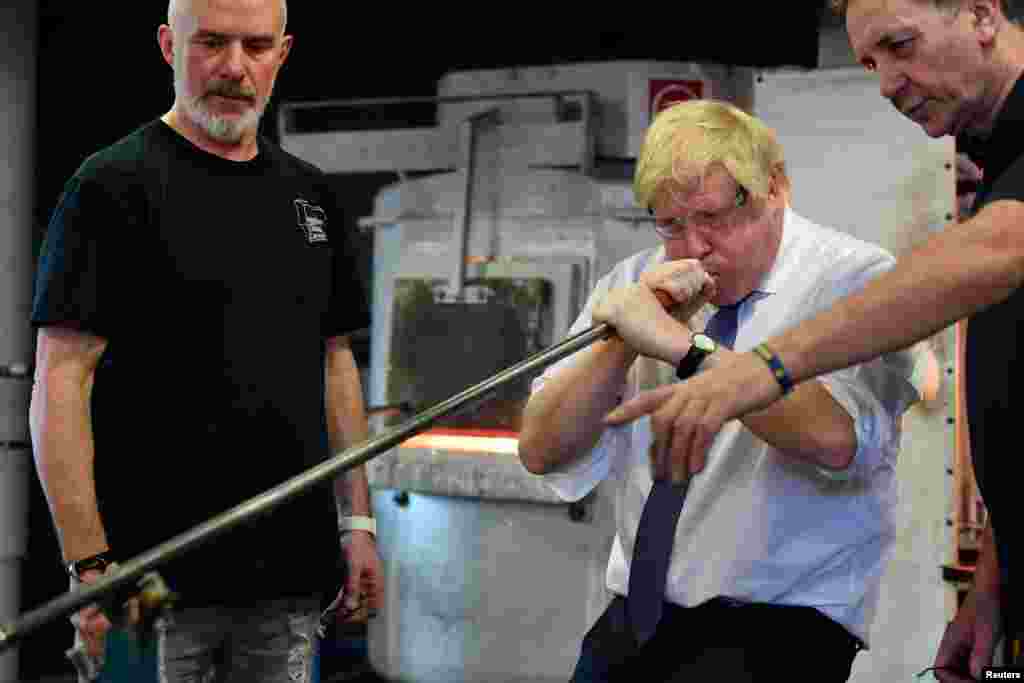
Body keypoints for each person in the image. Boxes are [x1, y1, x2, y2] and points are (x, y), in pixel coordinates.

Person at [603, 1, 1024, 680]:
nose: (886, 83)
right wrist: (993, 586)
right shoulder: (1002, 156)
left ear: (980, 14)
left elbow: (999, 247)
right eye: (869, 62)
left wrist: (761, 368)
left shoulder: (977, 213)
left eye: (900, 44)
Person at [28, 0, 383, 680]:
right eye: (211, 43)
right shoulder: (109, 187)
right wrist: (88, 562)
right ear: (168, 46)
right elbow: (61, 381)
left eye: (256, 47)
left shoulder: (309, 195)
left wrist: (357, 524)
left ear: (283, 53)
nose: (234, 68)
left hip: (287, 576)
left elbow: (335, 364)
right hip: (148, 587)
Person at [518, 99, 925, 682]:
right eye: (670, 225)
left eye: (713, 217)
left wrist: (682, 346)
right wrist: (622, 343)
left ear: (774, 188)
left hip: (780, 622)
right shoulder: (635, 280)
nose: (694, 246)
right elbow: (541, 449)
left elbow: (837, 438)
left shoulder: (855, 278)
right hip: (639, 614)